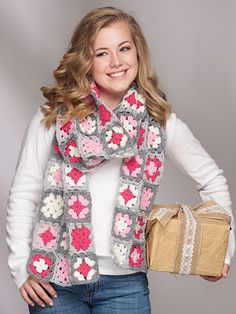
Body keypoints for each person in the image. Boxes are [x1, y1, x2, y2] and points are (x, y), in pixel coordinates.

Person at [6, 6, 235, 314]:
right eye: (101, 53)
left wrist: (221, 251)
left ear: (137, 53)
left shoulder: (158, 123)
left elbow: (212, 180)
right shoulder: (52, 119)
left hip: (124, 286)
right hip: (55, 283)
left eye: (124, 48)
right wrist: (21, 269)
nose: (116, 62)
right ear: (85, 61)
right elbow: (24, 196)